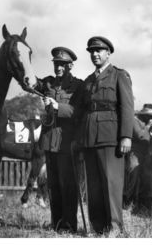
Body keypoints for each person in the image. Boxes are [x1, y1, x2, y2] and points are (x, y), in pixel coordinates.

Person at [71, 36, 134, 234]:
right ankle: (97, 228)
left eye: (99, 51)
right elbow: (77, 111)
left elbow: (127, 107)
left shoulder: (119, 75)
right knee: (95, 187)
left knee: (111, 184)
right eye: (92, 51)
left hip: (110, 137)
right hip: (90, 138)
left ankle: (115, 228)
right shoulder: (88, 81)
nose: (95, 54)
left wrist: (126, 136)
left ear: (108, 53)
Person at [35, 47, 83, 232]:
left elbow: (78, 112)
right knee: (53, 185)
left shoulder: (78, 86)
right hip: (49, 140)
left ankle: (69, 224)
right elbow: (30, 83)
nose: (59, 67)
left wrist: (57, 106)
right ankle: (57, 223)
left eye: (63, 64)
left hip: (66, 141)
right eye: (56, 64)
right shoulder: (48, 83)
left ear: (70, 65)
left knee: (68, 185)